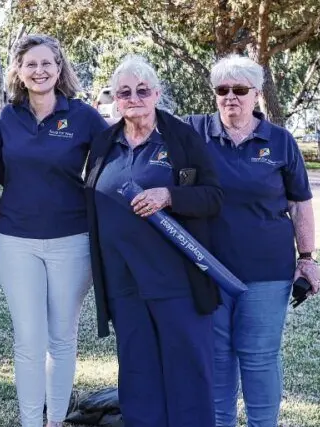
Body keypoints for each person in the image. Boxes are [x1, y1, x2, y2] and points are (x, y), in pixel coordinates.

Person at [185, 54, 320, 427]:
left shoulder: (280, 141)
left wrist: (307, 257)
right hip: (208, 270)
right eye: (222, 90)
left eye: (240, 89)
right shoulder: (194, 132)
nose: (230, 97)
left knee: (259, 357)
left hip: (267, 272)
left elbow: (300, 203)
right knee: (216, 359)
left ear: (257, 94)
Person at [85, 55, 223, 427]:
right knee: (137, 374)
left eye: (142, 90)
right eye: (124, 92)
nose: (134, 98)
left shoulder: (181, 138)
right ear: (115, 99)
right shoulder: (104, 142)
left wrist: (170, 196)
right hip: (123, 283)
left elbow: (213, 196)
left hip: (176, 281)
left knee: (188, 372)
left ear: (157, 94)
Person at [0, 34, 108, 427]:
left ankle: (56, 420)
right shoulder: (7, 117)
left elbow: (113, 161)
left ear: (60, 69)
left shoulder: (84, 117)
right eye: (31, 64)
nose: (39, 71)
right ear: (19, 71)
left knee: (61, 338)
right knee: (29, 340)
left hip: (72, 240)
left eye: (47, 63)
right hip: (16, 241)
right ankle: (31, 422)